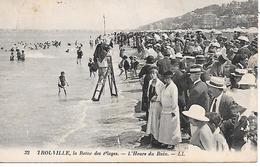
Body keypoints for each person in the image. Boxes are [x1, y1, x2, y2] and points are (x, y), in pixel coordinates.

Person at [206, 76, 245, 148]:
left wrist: (222, 125)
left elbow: (235, 119)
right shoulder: (212, 99)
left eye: (211, 87)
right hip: (212, 134)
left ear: (217, 89)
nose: (209, 89)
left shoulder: (228, 100)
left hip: (225, 135)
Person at [158, 71, 182, 149]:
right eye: (165, 79)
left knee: (172, 127)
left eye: (167, 78)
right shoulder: (165, 86)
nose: (165, 80)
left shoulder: (173, 87)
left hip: (171, 110)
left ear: (170, 78)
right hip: (164, 109)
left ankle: (172, 142)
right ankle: (165, 141)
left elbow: (174, 100)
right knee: (165, 127)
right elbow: (161, 96)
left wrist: (173, 110)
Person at [146, 67, 164, 147]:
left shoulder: (160, 84)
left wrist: (156, 98)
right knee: (151, 121)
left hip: (157, 105)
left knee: (156, 121)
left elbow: (162, 95)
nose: (152, 75)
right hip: (151, 104)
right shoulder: (150, 82)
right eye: (151, 74)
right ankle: (152, 138)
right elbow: (148, 93)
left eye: (154, 73)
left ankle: (157, 139)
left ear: (157, 74)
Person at [139, 56, 156, 120]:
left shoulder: (145, 67)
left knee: (146, 97)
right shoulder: (155, 67)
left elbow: (140, 76)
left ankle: (148, 114)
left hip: (146, 83)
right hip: (155, 83)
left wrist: (142, 83)